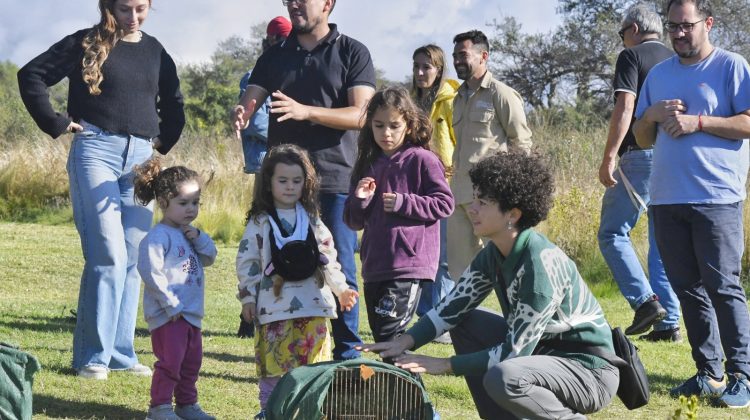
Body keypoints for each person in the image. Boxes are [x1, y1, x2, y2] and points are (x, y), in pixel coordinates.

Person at [358, 151, 619, 420]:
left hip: (589, 372)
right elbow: (452, 308)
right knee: (466, 325)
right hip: (543, 357)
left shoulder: (539, 268)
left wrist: (444, 364)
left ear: (512, 214)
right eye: (475, 199)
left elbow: (513, 353)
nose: (471, 208)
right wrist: (404, 342)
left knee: (505, 375)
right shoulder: (494, 252)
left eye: (482, 202)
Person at [17, 0, 184, 379]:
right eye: (124, 8)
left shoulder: (156, 51)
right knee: (107, 255)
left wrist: (163, 141)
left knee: (132, 260)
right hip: (95, 152)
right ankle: (92, 357)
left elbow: (174, 101)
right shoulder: (84, 42)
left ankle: (120, 355)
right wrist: (56, 122)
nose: (133, 17)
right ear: (108, 6)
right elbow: (31, 75)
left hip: (142, 160)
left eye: (140, 8)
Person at [232, 0, 376, 360]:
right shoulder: (274, 56)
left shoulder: (353, 52)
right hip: (283, 184)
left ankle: (347, 354)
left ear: (327, 4)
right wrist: (242, 112)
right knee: (277, 261)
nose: (294, 4)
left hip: (335, 178)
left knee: (338, 264)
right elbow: (251, 99)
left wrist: (305, 112)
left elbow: (362, 115)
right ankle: (283, 350)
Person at [633, 0, 750, 408]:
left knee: (724, 288)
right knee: (688, 290)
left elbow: (748, 122)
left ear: (708, 23)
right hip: (666, 199)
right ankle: (709, 374)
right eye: (672, 26)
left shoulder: (731, 66)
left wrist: (697, 122)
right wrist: (650, 114)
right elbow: (642, 138)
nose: (679, 33)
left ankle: (742, 375)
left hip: (717, 198)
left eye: (686, 25)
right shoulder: (659, 75)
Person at [236, 144, 359, 420]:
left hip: (313, 310)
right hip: (273, 311)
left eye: (296, 180)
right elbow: (248, 262)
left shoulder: (313, 221)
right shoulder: (260, 222)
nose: (290, 186)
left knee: (314, 372)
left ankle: (311, 414)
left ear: (307, 183)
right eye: (282, 180)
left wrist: (341, 289)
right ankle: (270, 413)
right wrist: (247, 298)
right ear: (268, 183)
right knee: (273, 372)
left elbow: (328, 258)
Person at [343, 87, 454, 346]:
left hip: (408, 265)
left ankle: (402, 375)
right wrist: (360, 198)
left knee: (390, 339)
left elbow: (445, 204)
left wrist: (404, 203)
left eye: (394, 126)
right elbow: (352, 221)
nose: (386, 133)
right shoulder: (366, 163)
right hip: (374, 266)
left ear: (409, 125)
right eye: (379, 125)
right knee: (384, 339)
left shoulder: (423, 160)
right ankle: (396, 374)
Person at [596, 3, 681, 341]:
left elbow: (626, 105)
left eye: (622, 34)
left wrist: (609, 156)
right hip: (673, 156)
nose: (622, 40)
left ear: (633, 29)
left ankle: (645, 302)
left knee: (612, 233)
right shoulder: (675, 59)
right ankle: (668, 324)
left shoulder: (631, 56)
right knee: (661, 243)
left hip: (641, 156)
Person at [134, 161, 217, 420]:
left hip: (190, 313)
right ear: (163, 202)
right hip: (168, 315)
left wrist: (200, 237)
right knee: (171, 363)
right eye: (183, 203)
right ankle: (159, 408)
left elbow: (210, 257)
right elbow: (150, 272)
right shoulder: (157, 237)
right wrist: (170, 303)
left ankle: (186, 405)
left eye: (195, 202)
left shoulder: (189, 233)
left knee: (191, 364)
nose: (191, 209)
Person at [447, 29, 532, 281]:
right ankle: (465, 309)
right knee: (460, 272)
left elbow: (521, 142)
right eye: (455, 56)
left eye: (463, 55)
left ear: (483, 56)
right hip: (459, 195)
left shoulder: (501, 94)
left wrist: (513, 191)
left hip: (491, 198)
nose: (457, 61)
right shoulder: (457, 98)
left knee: (508, 265)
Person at [411, 44, 460, 344]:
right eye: (416, 66)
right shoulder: (410, 101)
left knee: (443, 258)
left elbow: (458, 141)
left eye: (426, 67)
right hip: (415, 188)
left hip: (445, 188)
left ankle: (441, 321)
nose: (420, 72)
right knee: (422, 254)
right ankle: (424, 315)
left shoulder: (452, 100)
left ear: (439, 69)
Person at [237, 16, 292, 174]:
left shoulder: (288, 75)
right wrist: (291, 141)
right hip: (264, 162)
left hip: (285, 160)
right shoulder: (253, 77)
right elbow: (256, 123)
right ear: (273, 40)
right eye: (287, 40)